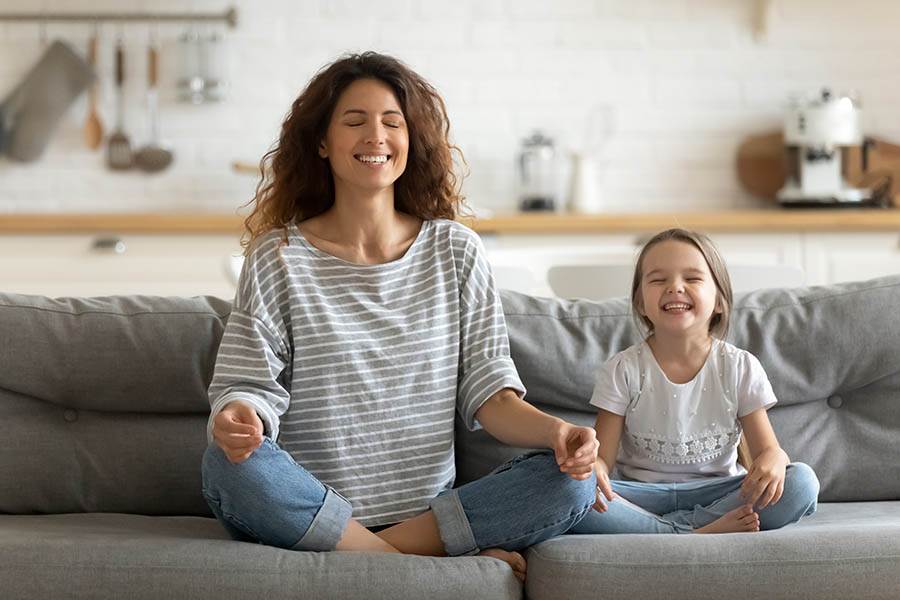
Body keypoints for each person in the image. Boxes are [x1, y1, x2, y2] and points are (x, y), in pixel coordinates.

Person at [200, 51, 598, 580]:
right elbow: (247, 384)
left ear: (412, 141)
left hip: (425, 515)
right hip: (307, 501)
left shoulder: (455, 250)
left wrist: (559, 433)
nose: (376, 136)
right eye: (355, 121)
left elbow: (491, 395)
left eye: (393, 122)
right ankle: (416, 563)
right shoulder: (278, 257)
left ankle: (366, 552)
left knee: (575, 480)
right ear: (322, 142)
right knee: (225, 469)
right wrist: (238, 413)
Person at [570, 228, 819, 535]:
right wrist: (592, 470)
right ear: (639, 302)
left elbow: (768, 452)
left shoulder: (740, 366)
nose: (675, 287)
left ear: (719, 301)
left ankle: (664, 533)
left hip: (720, 493)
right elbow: (602, 463)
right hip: (641, 496)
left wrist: (776, 459)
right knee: (570, 490)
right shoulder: (622, 368)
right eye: (658, 279)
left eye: (692, 278)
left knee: (802, 482)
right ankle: (696, 532)